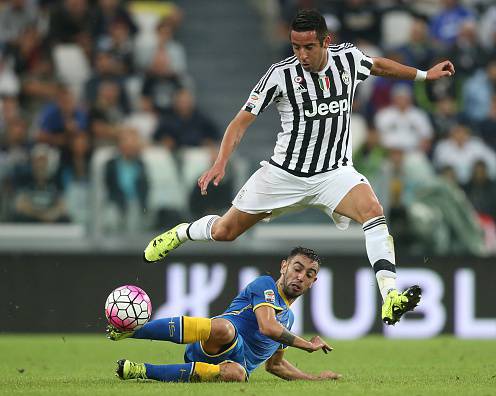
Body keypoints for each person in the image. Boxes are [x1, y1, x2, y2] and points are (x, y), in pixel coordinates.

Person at [143, 9, 450, 325]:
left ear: (326, 42)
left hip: (334, 173)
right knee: (225, 231)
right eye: (295, 47)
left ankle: (390, 297)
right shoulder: (280, 75)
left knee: (373, 210)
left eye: (309, 47)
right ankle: (181, 233)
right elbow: (240, 121)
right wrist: (220, 161)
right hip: (283, 175)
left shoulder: (349, 60)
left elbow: (380, 66)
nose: (301, 55)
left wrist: (424, 75)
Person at [109, 247, 349, 382]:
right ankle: (130, 331)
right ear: (284, 266)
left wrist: (314, 379)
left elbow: (275, 366)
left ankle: (139, 370)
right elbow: (267, 327)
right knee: (225, 329)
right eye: (297, 268)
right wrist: (307, 345)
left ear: (314, 281)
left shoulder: (289, 319)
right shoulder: (265, 285)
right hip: (213, 343)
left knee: (238, 374)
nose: (301, 276)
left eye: (309, 274)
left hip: (231, 366)